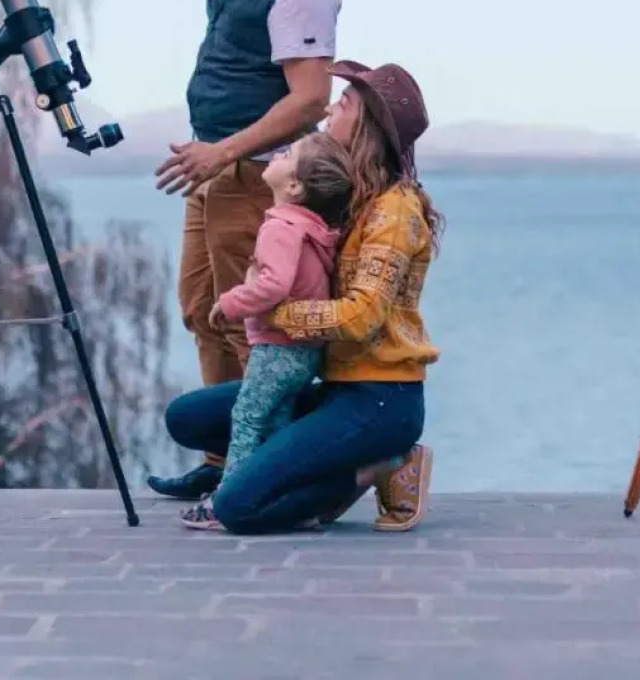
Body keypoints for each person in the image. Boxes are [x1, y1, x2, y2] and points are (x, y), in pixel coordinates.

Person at [110, 0, 343, 503]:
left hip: (257, 178)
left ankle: (263, 468)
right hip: (213, 171)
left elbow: (309, 98)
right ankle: (221, 458)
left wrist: (224, 154)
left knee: (256, 333)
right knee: (203, 309)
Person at [162, 60, 443, 533]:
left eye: (346, 103)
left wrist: (274, 312)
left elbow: (361, 318)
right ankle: (314, 459)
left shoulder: (394, 211)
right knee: (187, 418)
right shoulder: (347, 194)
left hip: (380, 399)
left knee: (237, 508)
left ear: (369, 126)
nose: (331, 107)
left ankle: (377, 465)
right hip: (334, 386)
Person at [180, 131, 354, 530]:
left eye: (288, 153)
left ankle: (225, 500)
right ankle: (285, 497)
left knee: (245, 417)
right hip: (304, 352)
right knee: (277, 422)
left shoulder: (281, 227)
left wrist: (229, 303)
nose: (277, 153)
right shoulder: (311, 228)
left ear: (294, 185)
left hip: (278, 348)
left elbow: (274, 285)